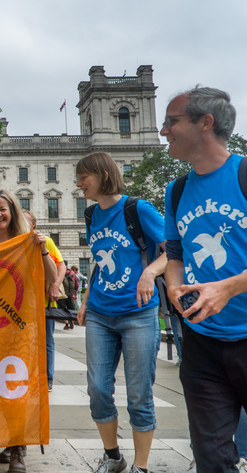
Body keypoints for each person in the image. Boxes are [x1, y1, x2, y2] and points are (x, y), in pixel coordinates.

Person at [161, 87, 247, 471]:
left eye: (172, 121)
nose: (163, 131)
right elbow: (174, 254)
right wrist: (174, 285)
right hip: (204, 343)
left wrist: (228, 287)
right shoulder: (174, 192)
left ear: (205, 123)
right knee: (211, 456)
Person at [75, 151, 166, 473]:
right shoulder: (90, 215)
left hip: (138, 313)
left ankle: (140, 466)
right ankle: (113, 456)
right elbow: (99, 264)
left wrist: (150, 272)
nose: (79, 183)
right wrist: (85, 299)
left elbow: (173, 251)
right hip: (100, 313)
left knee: (139, 393)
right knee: (98, 388)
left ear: (102, 174)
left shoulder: (137, 208)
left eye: (84, 176)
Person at [0, 192, 57, 473]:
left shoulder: (28, 240)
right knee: (1, 386)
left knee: (17, 385)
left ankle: (18, 448)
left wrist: (41, 249)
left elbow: (51, 277)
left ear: (12, 211)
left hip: (21, 322)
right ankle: (14, 438)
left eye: (2, 209)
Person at [21, 211, 65, 393]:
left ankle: (47, 378)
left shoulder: (45, 241)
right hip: (23, 302)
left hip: (44, 301)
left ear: (33, 224)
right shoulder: (13, 243)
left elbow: (61, 264)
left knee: (46, 342)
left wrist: (55, 285)